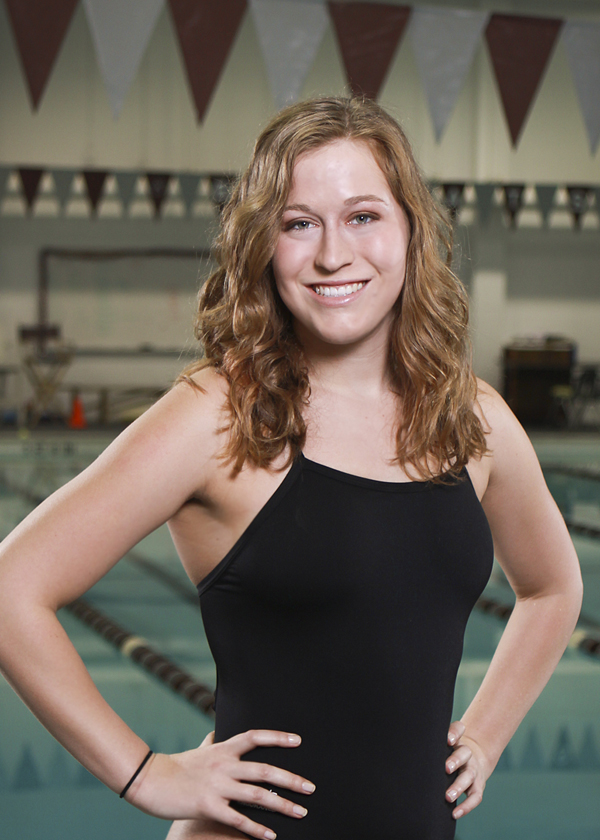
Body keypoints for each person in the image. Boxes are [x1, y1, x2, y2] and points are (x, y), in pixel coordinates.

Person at [0, 97, 582, 840]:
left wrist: (487, 734)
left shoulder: (475, 420)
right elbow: (13, 589)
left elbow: (553, 586)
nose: (333, 253)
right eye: (298, 223)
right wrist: (146, 773)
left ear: (412, 229)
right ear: (263, 246)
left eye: (364, 216)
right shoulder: (218, 416)